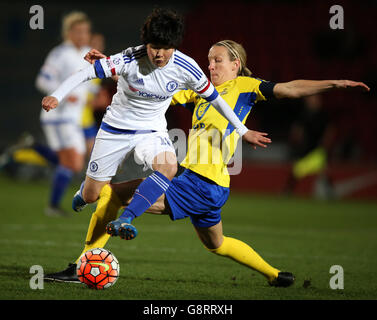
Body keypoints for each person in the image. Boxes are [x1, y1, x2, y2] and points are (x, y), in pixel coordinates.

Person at [44, 39, 369, 286]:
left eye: (217, 61)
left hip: (201, 181)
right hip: (208, 185)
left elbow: (292, 88)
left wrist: (334, 82)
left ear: (236, 64)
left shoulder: (245, 87)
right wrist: (114, 66)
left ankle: (82, 264)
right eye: (208, 60)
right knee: (217, 244)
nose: (210, 66)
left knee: (113, 194)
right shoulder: (200, 90)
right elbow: (153, 87)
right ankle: (275, 275)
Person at [41, 8, 263, 230]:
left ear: (174, 46)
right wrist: (56, 96)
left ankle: (126, 218)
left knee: (169, 166)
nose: (159, 54)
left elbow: (216, 100)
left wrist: (243, 131)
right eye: (154, 48)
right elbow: (84, 74)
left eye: (166, 49)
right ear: (146, 44)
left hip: (151, 131)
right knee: (92, 196)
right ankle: (84, 191)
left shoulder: (187, 67)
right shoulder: (129, 58)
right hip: (115, 130)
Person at [35, 11, 92, 216]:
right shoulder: (60, 53)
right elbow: (42, 80)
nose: (82, 35)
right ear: (68, 33)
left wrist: (96, 94)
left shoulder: (87, 53)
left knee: (67, 162)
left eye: (85, 31)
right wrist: (65, 95)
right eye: (77, 31)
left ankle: (52, 206)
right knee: (74, 162)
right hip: (58, 117)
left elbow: (87, 84)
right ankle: (54, 205)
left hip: (71, 118)